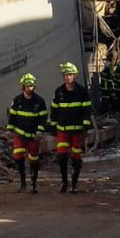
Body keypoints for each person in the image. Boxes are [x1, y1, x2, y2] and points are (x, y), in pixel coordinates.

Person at [51, 62, 92, 193]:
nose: (68, 77)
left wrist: (85, 127)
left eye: (70, 75)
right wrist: (53, 126)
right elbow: (54, 110)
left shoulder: (81, 92)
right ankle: (64, 182)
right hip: (62, 129)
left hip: (77, 130)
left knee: (76, 157)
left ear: (75, 76)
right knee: (61, 156)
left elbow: (87, 110)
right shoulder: (59, 92)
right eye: (65, 75)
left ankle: (74, 183)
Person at [7, 73, 48, 193]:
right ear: (23, 86)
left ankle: (34, 183)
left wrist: (40, 130)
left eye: (32, 86)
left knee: (34, 159)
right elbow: (12, 116)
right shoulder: (17, 100)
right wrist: (10, 129)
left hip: (34, 135)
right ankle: (23, 181)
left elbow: (43, 118)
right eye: (27, 86)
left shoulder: (39, 101)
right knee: (18, 155)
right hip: (20, 134)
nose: (30, 88)